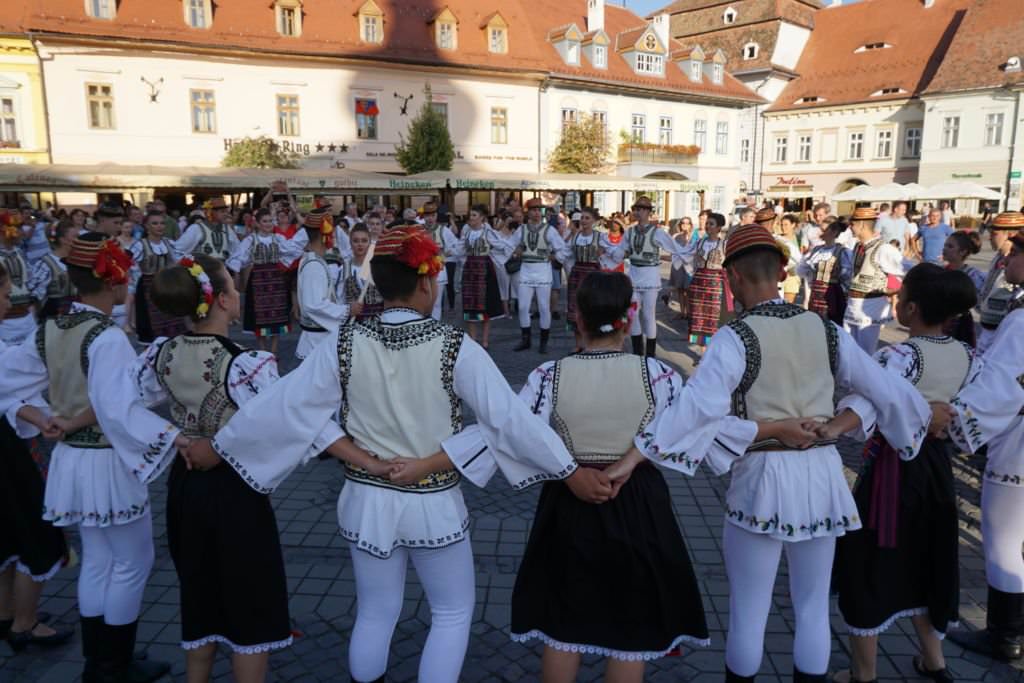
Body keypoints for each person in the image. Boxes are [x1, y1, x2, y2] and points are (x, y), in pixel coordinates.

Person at [183, 226, 585, 683]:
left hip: (366, 496)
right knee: (451, 613)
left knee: (375, 612)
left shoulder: (344, 341)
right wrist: (568, 470)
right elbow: (508, 420)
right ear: (427, 283)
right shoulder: (456, 346)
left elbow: (287, 408)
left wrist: (222, 446)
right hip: (433, 502)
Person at [613, 223, 942, 682]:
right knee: (810, 609)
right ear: (783, 273)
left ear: (733, 278)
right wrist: (836, 424)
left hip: (762, 478)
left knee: (750, 609)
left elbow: (694, 412)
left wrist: (634, 457)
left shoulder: (736, 336)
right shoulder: (826, 329)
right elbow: (886, 387)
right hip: (824, 475)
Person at [0, 233, 190, 682]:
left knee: (101, 560)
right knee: (131, 562)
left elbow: (8, 378)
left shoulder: (50, 327)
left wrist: (46, 415)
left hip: (71, 459)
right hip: (107, 461)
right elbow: (116, 410)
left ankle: (98, 662)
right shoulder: (106, 337)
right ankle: (113, 665)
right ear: (113, 279)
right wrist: (172, 436)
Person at [511, 271, 710, 682]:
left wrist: (568, 471)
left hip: (569, 498)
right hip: (637, 500)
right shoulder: (660, 376)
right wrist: (633, 459)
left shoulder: (548, 376)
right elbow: (689, 431)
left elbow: (518, 434)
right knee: (630, 626)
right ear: (629, 319)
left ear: (577, 319)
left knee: (563, 625)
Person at [134, 256, 305, 682]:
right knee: (251, 602)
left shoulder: (163, 353)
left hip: (185, 484)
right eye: (232, 286)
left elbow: (125, 405)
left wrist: (176, 438)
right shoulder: (246, 363)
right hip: (236, 492)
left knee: (200, 591)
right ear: (224, 301)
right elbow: (281, 431)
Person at [830, 263, 978, 683]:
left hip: (894, 471)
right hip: (937, 469)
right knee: (929, 554)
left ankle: (864, 672)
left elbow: (871, 404)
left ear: (911, 308)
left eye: (899, 297)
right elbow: (969, 410)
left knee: (871, 561)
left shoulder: (899, 355)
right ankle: (934, 661)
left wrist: (830, 427)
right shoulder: (966, 354)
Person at [945, 229, 1024, 662]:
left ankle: (1005, 635)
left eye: (1016, 254)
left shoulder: (1021, 319)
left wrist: (959, 420)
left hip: (1018, 442)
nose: (1008, 261)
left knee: (1003, 539)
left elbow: (999, 382)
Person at [0, 262, 74, 654]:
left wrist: (40, 418)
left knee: (6, 533)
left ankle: (5, 613)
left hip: (9, 446)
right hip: (6, 458)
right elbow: (9, 382)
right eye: (3, 293)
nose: (7, 301)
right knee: (36, 531)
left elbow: (7, 395)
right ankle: (25, 624)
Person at [605, 197, 689, 358]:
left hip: (650, 277)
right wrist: (608, 252)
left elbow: (674, 248)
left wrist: (687, 256)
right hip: (634, 276)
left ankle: (650, 354)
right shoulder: (629, 232)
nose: (637, 211)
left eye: (641, 209)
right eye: (636, 208)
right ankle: (637, 351)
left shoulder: (657, 232)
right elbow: (620, 251)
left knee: (648, 314)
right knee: (633, 312)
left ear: (648, 212)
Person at [226, 208, 303, 354]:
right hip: (258, 281)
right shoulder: (251, 239)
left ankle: (273, 351)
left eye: (270, 221)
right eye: (265, 221)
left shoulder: (278, 238)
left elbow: (294, 250)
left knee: (277, 315)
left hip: (276, 279)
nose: (268, 224)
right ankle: (262, 350)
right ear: (258, 223)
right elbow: (239, 257)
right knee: (259, 315)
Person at [503, 198, 569, 354]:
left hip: (543, 272)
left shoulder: (549, 230)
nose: (537, 213)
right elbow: (509, 244)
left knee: (544, 307)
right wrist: (514, 252)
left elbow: (562, 249)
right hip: (526, 271)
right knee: (523, 307)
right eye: (533, 210)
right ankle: (526, 339)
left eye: (539, 210)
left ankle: (543, 342)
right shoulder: (522, 229)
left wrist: (554, 257)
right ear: (528, 212)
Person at [843, 207, 904, 354]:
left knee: (865, 354)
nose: (850, 227)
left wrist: (896, 291)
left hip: (869, 309)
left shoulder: (884, 249)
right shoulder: (857, 246)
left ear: (862, 224)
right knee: (848, 353)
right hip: (852, 306)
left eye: (852, 224)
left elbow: (908, 269)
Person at [295, 208, 347, 360]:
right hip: (316, 343)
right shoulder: (314, 265)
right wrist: (347, 310)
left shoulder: (312, 259)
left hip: (317, 339)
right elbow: (314, 305)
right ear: (325, 234)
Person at [130, 210, 188, 345]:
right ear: (146, 226)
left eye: (162, 223)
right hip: (147, 287)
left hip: (168, 287)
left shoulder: (169, 243)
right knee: (151, 328)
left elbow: (182, 260)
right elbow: (126, 262)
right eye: (155, 223)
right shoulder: (140, 245)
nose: (160, 226)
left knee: (173, 323)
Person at [456, 205, 509, 350]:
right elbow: (459, 248)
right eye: (470, 215)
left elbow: (501, 245)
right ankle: (473, 340)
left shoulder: (488, 232)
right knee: (470, 305)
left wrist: (511, 249)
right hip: (470, 269)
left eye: (474, 215)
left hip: (484, 269)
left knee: (485, 304)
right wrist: (447, 254)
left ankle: (485, 341)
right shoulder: (466, 232)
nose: (471, 218)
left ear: (481, 218)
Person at [564, 208, 611, 351]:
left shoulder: (600, 236)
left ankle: (593, 342)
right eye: (582, 218)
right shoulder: (575, 236)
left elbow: (612, 250)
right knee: (575, 308)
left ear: (594, 221)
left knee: (592, 308)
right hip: (577, 273)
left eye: (587, 218)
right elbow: (567, 253)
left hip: (593, 275)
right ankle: (578, 344)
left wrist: (603, 253)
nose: (584, 221)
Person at [976, 211, 1023, 354]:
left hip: (1000, 328)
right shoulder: (998, 257)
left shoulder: (1015, 265)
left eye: (994, 232)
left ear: (1009, 234)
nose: (989, 236)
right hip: (989, 326)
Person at [684, 211, 730, 354]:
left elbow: (729, 264)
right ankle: (703, 352)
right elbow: (688, 257)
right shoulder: (700, 242)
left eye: (711, 224)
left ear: (719, 227)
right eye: (707, 223)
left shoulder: (724, 244)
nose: (708, 226)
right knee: (699, 317)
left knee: (714, 318)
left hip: (715, 284)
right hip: (699, 283)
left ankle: (712, 351)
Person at [0, 210, 46, 344]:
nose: (22, 231)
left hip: (27, 317)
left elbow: (29, 280)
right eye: (17, 227)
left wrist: (33, 305)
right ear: (3, 229)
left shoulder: (19, 252)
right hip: (5, 321)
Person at [797, 220, 852, 325]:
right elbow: (802, 270)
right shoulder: (817, 250)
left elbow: (847, 276)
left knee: (832, 322)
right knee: (816, 322)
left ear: (833, 233)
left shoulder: (842, 251)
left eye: (825, 230)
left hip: (832, 293)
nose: (821, 233)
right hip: (816, 293)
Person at [942, 230, 985, 346]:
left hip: (960, 326)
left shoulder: (973, 275)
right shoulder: (941, 271)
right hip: (939, 323)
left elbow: (982, 303)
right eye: (945, 245)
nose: (945, 249)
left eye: (950, 246)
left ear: (963, 252)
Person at [173, 197, 239, 263]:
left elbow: (237, 251)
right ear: (210, 212)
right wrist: (191, 265)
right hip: (201, 271)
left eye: (226, 211)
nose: (226, 214)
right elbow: (178, 251)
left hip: (222, 270)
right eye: (222, 211)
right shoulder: (196, 228)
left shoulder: (228, 229)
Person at [339, 223, 383, 321]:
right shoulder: (344, 268)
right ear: (350, 243)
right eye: (355, 241)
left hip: (377, 321)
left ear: (369, 242)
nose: (360, 244)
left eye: (364, 241)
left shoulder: (377, 267)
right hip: (353, 322)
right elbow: (340, 298)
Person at [421, 201, 456, 320]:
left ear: (436, 216)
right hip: (421, 270)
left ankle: (435, 328)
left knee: (436, 302)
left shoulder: (443, 230)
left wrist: (444, 255)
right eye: (427, 216)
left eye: (432, 215)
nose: (430, 218)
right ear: (424, 216)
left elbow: (456, 245)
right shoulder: (418, 230)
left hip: (438, 270)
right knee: (422, 301)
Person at [37, 219, 78, 319]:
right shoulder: (46, 264)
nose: (79, 239)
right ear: (62, 239)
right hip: (54, 321)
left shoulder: (77, 260)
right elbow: (36, 299)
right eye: (75, 236)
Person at [667, 217, 695, 320]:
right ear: (680, 225)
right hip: (678, 266)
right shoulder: (675, 236)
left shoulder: (694, 236)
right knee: (679, 290)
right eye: (683, 223)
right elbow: (672, 251)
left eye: (687, 223)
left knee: (688, 290)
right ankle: (682, 312)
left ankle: (689, 312)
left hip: (689, 267)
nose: (685, 225)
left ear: (691, 225)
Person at [775, 213, 802, 304]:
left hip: (793, 275)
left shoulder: (799, 238)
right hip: (780, 275)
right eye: (781, 224)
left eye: (786, 224)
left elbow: (803, 254)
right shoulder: (778, 239)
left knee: (789, 303)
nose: (783, 227)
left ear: (793, 225)